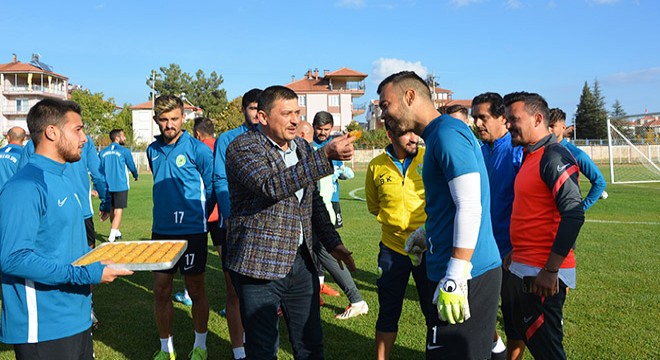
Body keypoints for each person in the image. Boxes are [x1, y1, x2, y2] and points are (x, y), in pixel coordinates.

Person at [224, 85, 356, 359]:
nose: (295, 119)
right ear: (262, 117)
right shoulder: (243, 147)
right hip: (258, 266)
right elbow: (270, 185)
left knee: (310, 344)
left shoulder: (303, 147)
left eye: (297, 112)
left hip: (301, 263)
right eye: (286, 113)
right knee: (262, 349)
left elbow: (312, 202)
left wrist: (333, 243)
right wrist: (324, 156)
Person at [377, 71, 502, 359]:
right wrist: (428, 234)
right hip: (448, 268)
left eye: (386, 105)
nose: (384, 115)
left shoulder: (447, 134)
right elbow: (448, 203)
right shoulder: (436, 137)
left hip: (468, 273)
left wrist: (456, 274)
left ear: (409, 97)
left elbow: (470, 205)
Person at [0, 98, 131, 359]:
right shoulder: (26, 186)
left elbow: (65, 247)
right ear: (52, 132)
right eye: (78, 130)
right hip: (45, 328)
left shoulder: (62, 179)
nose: (84, 138)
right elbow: (13, 258)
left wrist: (101, 262)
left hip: (76, 319)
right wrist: (85, 275)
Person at [503, 92, 585, 360]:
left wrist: (551, 269)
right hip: (526, 265)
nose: (508, 125)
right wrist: (518, 251)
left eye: (514, 119)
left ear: (538, 118)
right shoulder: (530, 155)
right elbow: (535, 211)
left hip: (542, 274)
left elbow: (573, 213)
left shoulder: (553, 156)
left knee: (547, 349)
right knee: (534, 341)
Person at [148, 95, 213, 360]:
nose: (169, 124)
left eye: (174, 118)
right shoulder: (152, 150)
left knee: (196, 289)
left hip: (192, 232)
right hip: (161, 232)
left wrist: (199, 218)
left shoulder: (198, 149)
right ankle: (166, 350)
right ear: (157, 120)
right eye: (163, 119)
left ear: (183, 118)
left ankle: (200, 346)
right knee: (161, 290)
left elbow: (210, 188)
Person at [365, 119, 434, 360]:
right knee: (388, 310)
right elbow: (374, 206)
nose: (414, 138)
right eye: (406, 134)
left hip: (428, 249)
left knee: (432, 310)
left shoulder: (429, 158)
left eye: (416, 132)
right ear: (390, 134)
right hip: (392, 249)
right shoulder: (376, 166)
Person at [472, 92, 525, 360]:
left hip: (510, 254)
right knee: (480, 313)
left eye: (483, 117)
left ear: (503, 119)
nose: (478, 123)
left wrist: (518, 247)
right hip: (482, 252)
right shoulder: (478, 153)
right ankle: (499, 350)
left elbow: (528, 206)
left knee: (515, 320)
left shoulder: (518, 154)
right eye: (475, 118)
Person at [301, 115, 368, 319]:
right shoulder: (308, 152)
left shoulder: (314, 154)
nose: (303, 139)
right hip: (313, 214)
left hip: (317, 215)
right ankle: (344, 297)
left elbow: (319, 193)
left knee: (324, 256)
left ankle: (355, 299)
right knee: (316, 257)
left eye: (303, 135)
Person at [212, 88, 261, 360]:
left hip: (266, 226)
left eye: (260, 108)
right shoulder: (228, 139)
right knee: (233, 289)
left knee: (264, 290)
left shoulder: (272, 138)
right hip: (234, 225)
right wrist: (228, 217)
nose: (256, 113)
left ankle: (261, 344)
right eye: (252, 107)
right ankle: (239, 351)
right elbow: (219, 179)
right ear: (244, 109)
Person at [312, 111, 355, 298]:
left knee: (328, 239)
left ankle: (320, 285)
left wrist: (342, 172)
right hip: (316, 199)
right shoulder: (309, 146)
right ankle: (318, 285)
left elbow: (341, 171)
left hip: (332, 200)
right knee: (317, 245)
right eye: (319, 129)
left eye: (326, 129)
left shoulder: (334, 146)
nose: (322, 133)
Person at [548, 108, 607, 209]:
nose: (548, 130)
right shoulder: (538, 151)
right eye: (546, 126)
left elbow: (599, 182)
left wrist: (581, 208)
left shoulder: (576, 154)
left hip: (564, 216)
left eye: (552, 126)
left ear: (563, 128)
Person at [99, 128, 138, 243]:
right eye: (123, 136)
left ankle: (116, 231)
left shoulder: (102, 152)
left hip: (107, 186)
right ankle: (111, 236)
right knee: (118, 210)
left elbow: (99, 170)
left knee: (112, 210)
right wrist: (135, 174)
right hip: (120, 185)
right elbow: (131, 164)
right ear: (117, 138)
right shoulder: (124, 151)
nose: (125, 138)